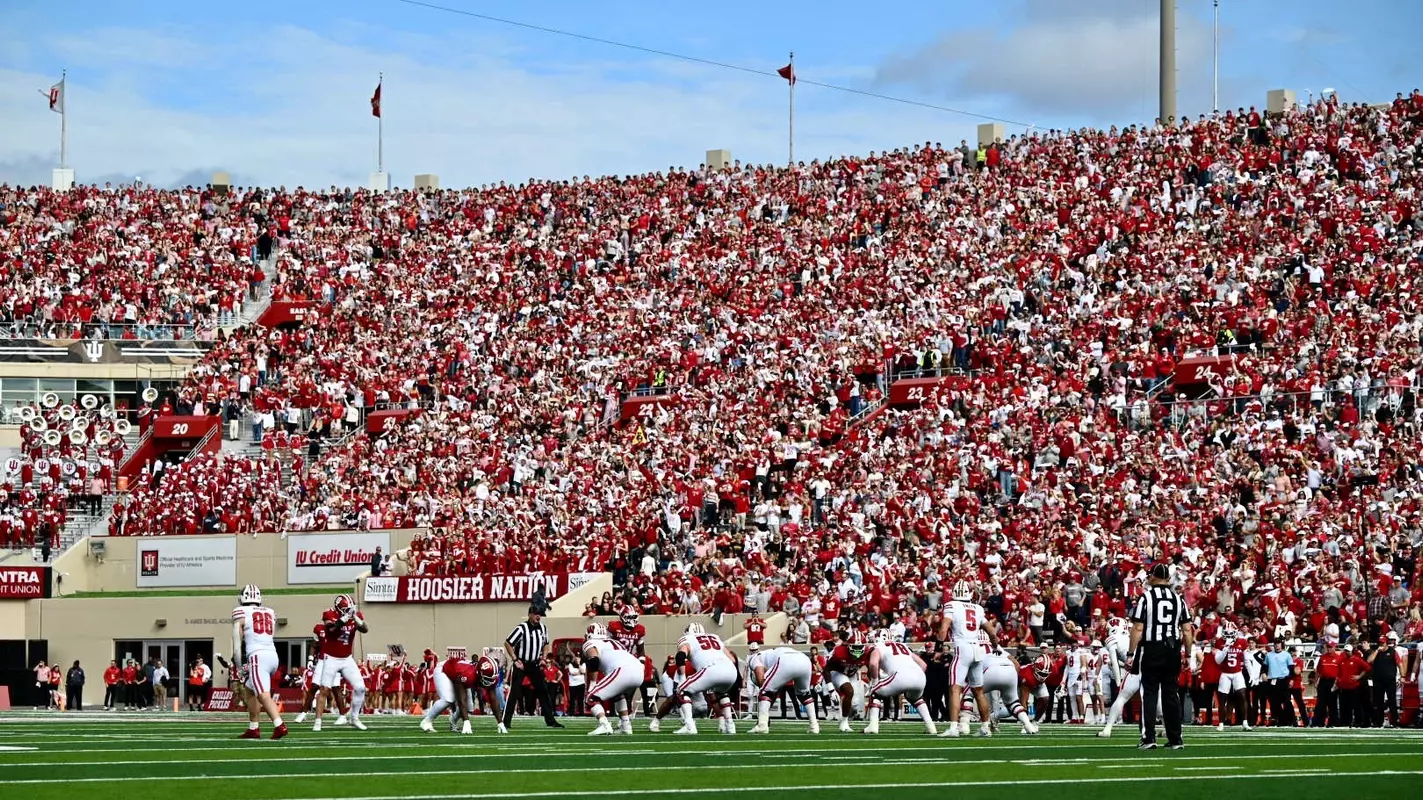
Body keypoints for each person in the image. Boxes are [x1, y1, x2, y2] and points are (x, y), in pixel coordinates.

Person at [1128, 561, 1193, 750]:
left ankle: (1149, 737)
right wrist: (1188, 654)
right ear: (1168, 578)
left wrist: (1131, 653)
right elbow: (1187, 629)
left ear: (1154, 577)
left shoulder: (1146, 597)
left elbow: (1138, 627)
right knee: (1171, 694)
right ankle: (1175, 739)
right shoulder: (1178, 599)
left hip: (1152, 649)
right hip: (1173, 650)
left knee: (1149, 693)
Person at [651, 622, 738, 735]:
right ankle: (730, 725)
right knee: (722, 693)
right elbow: (732, 660)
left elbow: (680, 656)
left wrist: (683, 678)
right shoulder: (714, 637)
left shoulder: (687, 639)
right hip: (730, 670)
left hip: (711, 668)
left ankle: (689, 726)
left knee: (682, 690)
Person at [938, 581, 995, 738]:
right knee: (979, 691)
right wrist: (996, 645)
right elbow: (991, 631)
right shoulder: (977, 608)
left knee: (954, 689)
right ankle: (985, 727)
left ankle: (953, 727)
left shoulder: (951, 605)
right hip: (977, 649)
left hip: (962, 649)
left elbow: (943, 630)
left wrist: (938, 647)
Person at [231, 584, 288, 739]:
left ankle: (279, 725)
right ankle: (253, 728)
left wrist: (238, 666)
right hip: (272, 655)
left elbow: (237, 646)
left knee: (263, 694)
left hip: (257, 656)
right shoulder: (270, 612)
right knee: (250, 688)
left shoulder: (240, 613)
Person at [863, 631, 937, 736]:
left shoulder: (878, 647)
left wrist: (875, 682)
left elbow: (873, 664)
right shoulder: (903, 646)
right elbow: (923, 665)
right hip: (920, 676)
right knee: (916, 699)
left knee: (875, 692)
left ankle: (873, 726)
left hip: (901, 675)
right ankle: (931, 726)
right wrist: (914, 678)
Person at [313, 594, 369, 731]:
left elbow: (365, 629)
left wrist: (355, 618)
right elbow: (331, 629)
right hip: (331, 658)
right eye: (345, 609)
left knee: (360, 688)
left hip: (347, 658)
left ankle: (354, 718)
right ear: (338, 608)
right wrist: (344, 618)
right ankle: (318, 722)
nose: (348, 611)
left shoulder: (354, 615)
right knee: (324, 689)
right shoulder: (329, 614)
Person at [502, 606, 564, 729]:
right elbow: (508, 643)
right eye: (536, 614)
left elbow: (546, 644)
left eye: (540, 614)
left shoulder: (543, 628)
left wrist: (543, 658)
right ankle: (506, 722)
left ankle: (550, 720)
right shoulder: (522, 628)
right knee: (514, 692)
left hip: (535, 664)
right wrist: (515, 659)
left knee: (543, 690)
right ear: (529, 615)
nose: (538, 616)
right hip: (521, 664)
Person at [421, 650, 506, 735]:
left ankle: (453, 721)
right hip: (443, 670)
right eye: (487, 679)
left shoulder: (491, 676)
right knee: (448, 699)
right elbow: (461, 699)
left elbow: (493, 698)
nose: (489, 682)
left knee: (469, 706)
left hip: (457, 673)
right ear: (478, 673)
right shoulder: (468, 674)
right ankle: (426, 721)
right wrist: (466, 722)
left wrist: (500, 722)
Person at [581, 623, 644, 735]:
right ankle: (626, 726)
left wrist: (593, 683)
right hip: (638, 670)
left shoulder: (590, 643)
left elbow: (594, 660)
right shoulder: (615, 642)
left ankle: (604, 724)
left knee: (591, 698)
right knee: (618, 695)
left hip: (623, 670)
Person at [747, 645, 818, 734]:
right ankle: (814, 726)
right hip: (804, 659)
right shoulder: (769, 655)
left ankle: (762, 725)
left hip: (787, 659)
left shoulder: (754, 659)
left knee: (764, 691)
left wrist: (765, 709)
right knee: (804, 694)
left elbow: (761, 681)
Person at [971, 651, 1039, 735]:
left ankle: (966, 724)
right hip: (1010, 671)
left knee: (970, 693)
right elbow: (1017, 665)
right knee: (1013, 703)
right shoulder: (1002, 651)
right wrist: (1013, 679)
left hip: (990, 671)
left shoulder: (978, 650)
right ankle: (1028, 725)